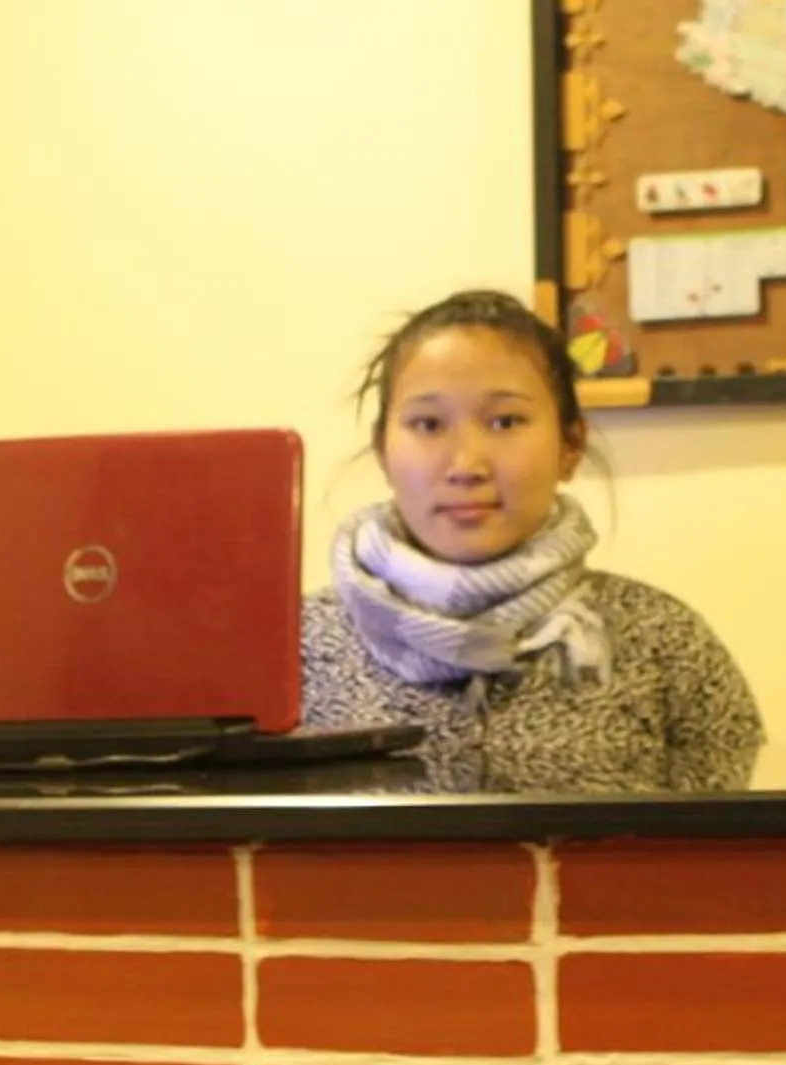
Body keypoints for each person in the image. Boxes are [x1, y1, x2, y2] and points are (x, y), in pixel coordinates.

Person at [302, 290, 762, 790]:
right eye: (428, 424)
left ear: (570, 445)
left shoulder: (665, 640)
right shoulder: (297, 649)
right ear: (383, 451)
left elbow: (722, 851)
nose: (465, 465)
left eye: (505, 422)